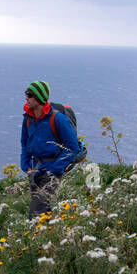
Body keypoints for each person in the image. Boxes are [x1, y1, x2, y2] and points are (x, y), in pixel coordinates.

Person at [20, 80, 79, 219]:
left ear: (39, 98)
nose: (26, 97)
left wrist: (53, 170)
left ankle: (36, 239)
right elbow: (24, 144)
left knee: (34, 214)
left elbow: (72, 148)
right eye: (26, 94)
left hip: (51, 172)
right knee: (45, 212)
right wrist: (26, 167)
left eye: (29, 95)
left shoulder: (57, 119)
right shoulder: (28, 118)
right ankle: (52, 237)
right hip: (34, 172)